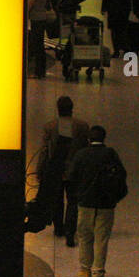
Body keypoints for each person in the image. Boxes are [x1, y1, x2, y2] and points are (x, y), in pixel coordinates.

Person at [65, 124, 127, 277]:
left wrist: (77, 196)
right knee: (102, 239)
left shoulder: (81, 155)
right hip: (106, 204)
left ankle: (85, 270)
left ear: (89, 139)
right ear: (103, 138)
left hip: (85, 203)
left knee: (85, 236)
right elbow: (122, 175)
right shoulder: (110, 154)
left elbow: (71, 177)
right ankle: (98, 274)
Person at [37, 96, 90, 246]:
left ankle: (58, 228)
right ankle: (70, 232)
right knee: (73, 201)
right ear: (72, 108)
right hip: (75, 170)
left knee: (56, 199)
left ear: (58, 109)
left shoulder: (50, 126)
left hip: (55, 168)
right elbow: (86, 149)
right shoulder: (82, 126)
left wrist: (40, 170)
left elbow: (44, 150)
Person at [27, 0, 52, 79]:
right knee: (39, 45)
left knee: (36, 45)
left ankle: (38, 72)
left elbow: (29, 6)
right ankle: (41, 71)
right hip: (42, 19)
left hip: (35, 19)